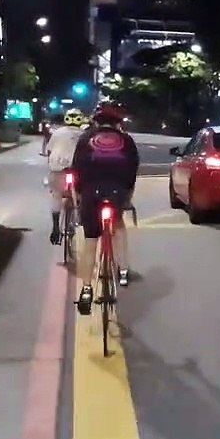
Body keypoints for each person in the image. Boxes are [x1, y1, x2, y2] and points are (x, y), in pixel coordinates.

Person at [70, 102, 138, 315]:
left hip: (91, 193)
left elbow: (76, 168)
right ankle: (123, 269)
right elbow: (132, 170)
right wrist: (127, 196)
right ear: (118, 122)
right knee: (118, 226)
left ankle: (87, 289)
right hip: (117, 192)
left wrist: (80, 196)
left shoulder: (84, 139)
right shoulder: (126, 141)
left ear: (96, 121)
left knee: (90, 242)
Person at [45, 109, 86, 245]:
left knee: (56, 195)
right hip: (79, 171)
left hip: (58, 169)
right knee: (83, 196)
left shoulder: (57, 133)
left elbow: (49, 151)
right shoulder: (85, 135)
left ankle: (56, 227)